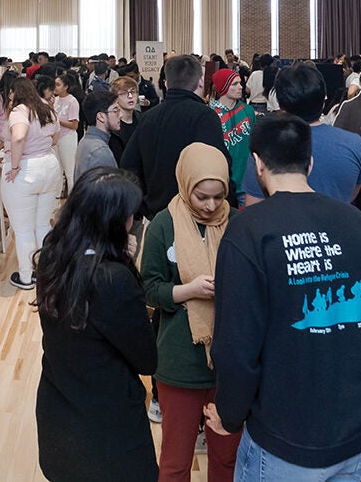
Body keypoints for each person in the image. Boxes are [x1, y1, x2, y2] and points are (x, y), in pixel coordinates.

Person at [205, 115, 361, 480]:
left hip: (284, 440)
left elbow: (236, 344)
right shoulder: (358, 224)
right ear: (310, 163)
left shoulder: (249, 231)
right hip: (357, 436)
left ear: (258, 164)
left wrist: (230, 415)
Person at [34, 167, 158, 481]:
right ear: (113, 222)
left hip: (59, 413)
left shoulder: (53, 257)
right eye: (130, 215)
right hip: (105, 433)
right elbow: (147, 359)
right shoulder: (111, 279)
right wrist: (128, 263)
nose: (134, 221)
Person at [141, 143, 240, 481]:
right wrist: (190, 291)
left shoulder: (237, 223)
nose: (212, 206)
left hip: (227, 364)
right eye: (202, 197)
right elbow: (149, 288)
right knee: (175, 462)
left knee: (226, 459)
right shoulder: (164, 225)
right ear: (185, 186)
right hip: (179, 362)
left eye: (218, 196)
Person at [121, 54, 230, 220]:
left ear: (166, 83)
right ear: (201, 81)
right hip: (197, 216)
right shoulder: (205, 116)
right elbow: (220, 165)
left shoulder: (147, 118)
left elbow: (128, 165)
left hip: (156, 215)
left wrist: (145, 205)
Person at [242, 62, 361, 206]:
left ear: (281, 106)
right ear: (323, 101)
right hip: (339, 225)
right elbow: (350, 195)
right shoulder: (354, 144)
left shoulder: (264, 148)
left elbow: (254, 208)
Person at [1, 77, 62, 290]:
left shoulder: (20, 111)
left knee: (24, 229)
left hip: (25, 172)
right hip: (49, 166)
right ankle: (45, 274)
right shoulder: (46, 108)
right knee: (43, 224)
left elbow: (18, 137)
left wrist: (15, 166)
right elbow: (56, 136)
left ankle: (26, 277)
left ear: (14, 93)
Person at [209, 68, 256, 207]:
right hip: (222, 183)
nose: (240, 87)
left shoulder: (248, 111)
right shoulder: (211, 114)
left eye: (240, 83)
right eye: (234, 84)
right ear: (223, 87)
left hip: (245, 182)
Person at [75, 90, 121, 178]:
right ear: (101, 116)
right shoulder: (100, 152)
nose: (121, 115)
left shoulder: (86, 141)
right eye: (115, 111)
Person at [51, 73, 81, 194]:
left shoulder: (72, 101)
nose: (55, 87)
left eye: (58, 85)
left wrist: (58, 120)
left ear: (66, 86)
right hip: (56, 138)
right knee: (57, 171)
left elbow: (74, 125)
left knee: (69, 171)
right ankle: (57, 199)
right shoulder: (55, 100)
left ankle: (72, 200)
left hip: (68, 137)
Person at [109, 76, 144, 163]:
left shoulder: (143, 119)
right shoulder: (112, 125)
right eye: (123, 93)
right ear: (115, 98)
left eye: (133, 92)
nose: (130, 96)